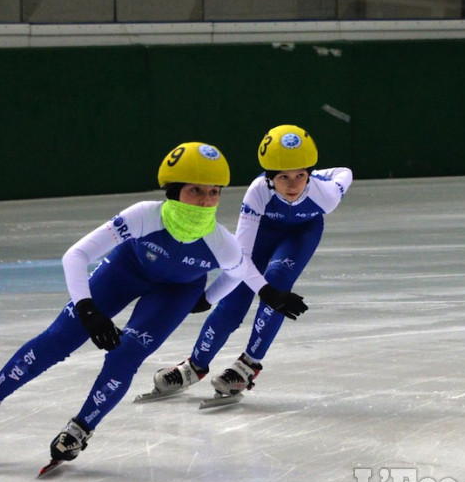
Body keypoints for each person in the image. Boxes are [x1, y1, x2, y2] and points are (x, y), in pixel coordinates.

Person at [0, 142, 275, 467]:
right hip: (126, 271)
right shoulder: (145, 215)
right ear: (174, 190)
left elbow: (238, 273)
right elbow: (76, 255)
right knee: (60, 337)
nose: (205, 200)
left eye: (214, 192)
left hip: (176, 293)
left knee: (125, 355)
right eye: (196, 190)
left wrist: (206, 298)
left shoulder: (221, 243)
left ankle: (81, 427)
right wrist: (87, 309)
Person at [145, 124, 352, 400]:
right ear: (268, 178)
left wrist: (319, 176)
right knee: (235, 296)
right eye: (283, 177)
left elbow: (344, 173)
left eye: (301, 175)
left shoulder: (326, 194)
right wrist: (212, 296)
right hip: (263, 233)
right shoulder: (258, 191)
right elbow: (239, 259)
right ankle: (195, 366)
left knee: (278, 279)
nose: (293, 185)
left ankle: (248, 365)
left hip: (301, 235)